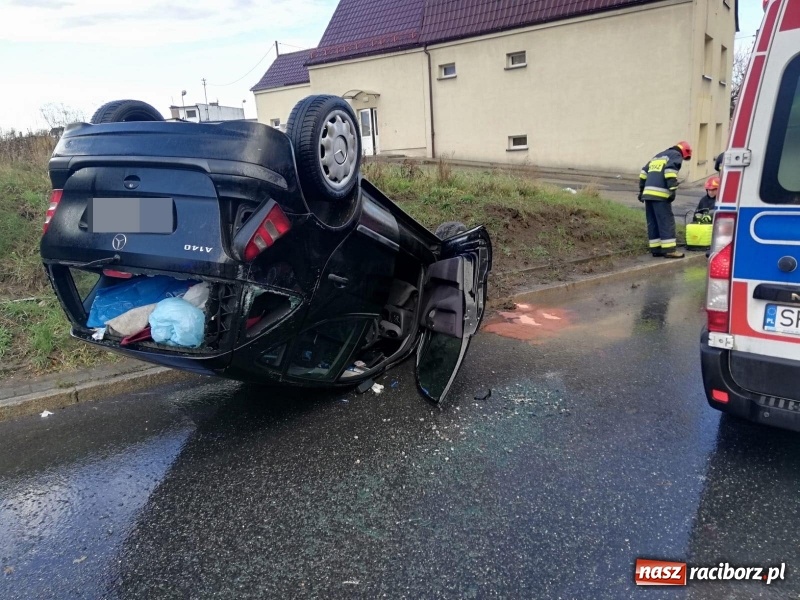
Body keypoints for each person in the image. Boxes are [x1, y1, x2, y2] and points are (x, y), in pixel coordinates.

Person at [638, 141, 692, 259]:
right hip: (660, 194)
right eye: (685, 157)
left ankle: (656, 249)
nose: (683, 159)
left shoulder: (658, 156)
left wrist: (641, 191)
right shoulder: (675, 155)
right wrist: (672, 189)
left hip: (648, 194)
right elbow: (670, 171)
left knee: (653, 222)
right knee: (666, 221)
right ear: (684, 151)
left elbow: (643, 173)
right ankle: (669, 250)